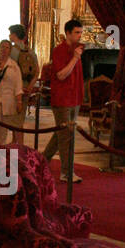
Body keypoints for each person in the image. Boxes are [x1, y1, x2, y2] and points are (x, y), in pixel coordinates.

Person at [43, 19, 85, 183]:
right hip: (62, 99)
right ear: (67, 33)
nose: (79, 35)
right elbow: (61, 75)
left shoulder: (78, 50)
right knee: (67, 136)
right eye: (76, 32)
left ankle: (42, 160)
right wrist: (74, 59)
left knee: (62, 134)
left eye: (81, 32)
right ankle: (66, 172)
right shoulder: (59, 51)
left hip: (75, 98)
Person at [0, 38, 23, 144]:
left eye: (7, 48)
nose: (4, 50)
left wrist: (19, 101)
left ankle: (0, 149)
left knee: (3, 129)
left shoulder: (13, 66)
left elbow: (18, 85)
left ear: (10, 50)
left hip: (8, 100)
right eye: (3, 47)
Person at [8, 24, 39, 97]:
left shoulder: (10, 50)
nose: (9, 36)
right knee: (22, 108)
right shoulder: (31, 51)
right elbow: (37, 71)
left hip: (12, 86)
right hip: (27, 84)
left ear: (14, 35)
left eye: (10, 34)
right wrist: (29, 87)